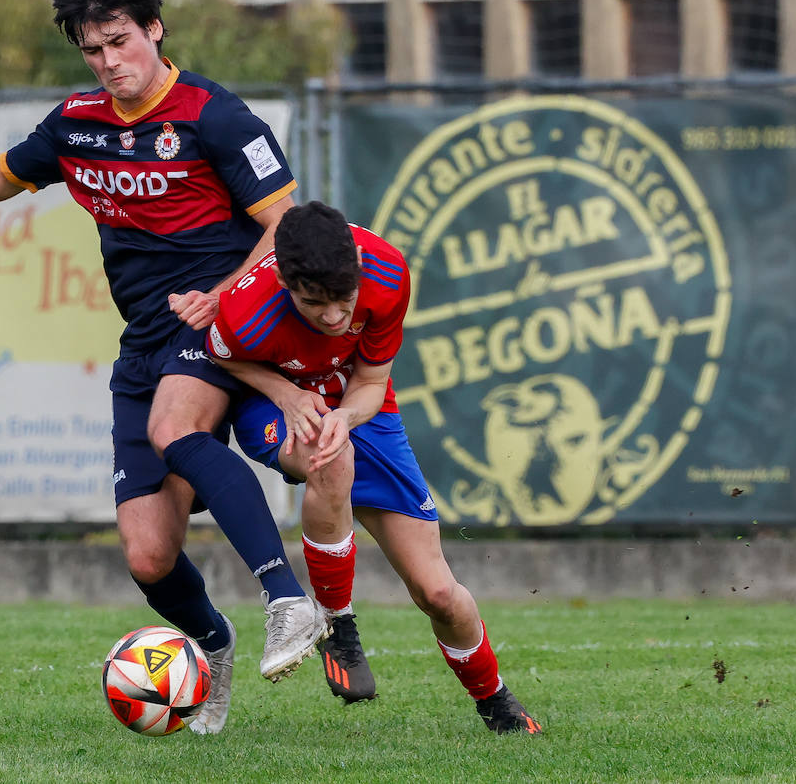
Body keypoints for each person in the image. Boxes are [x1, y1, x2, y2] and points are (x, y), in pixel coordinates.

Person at [0, 0, 328, 736]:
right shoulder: (77, 124)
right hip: (143, 343)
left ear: (155, 28)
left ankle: (290, 599)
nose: (110, 62)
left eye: (121, 41)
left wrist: (221, 295)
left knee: (174, 427)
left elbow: (288, 224)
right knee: (148, 555)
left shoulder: (216, 116)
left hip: (216, 328)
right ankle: (212, 646)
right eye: (93, 49)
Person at [206, 201, 543, 734]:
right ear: (286, 284)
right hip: (274, 406)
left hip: (358, 400)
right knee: (332, 458)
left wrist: (344, 415)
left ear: (358, 267)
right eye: (315, 304)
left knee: (437, 593)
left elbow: (369, 383)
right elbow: (222, 353)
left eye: (344, 300)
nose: (335, 317)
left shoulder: (387, 272)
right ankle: (338, 625)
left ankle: (495, 701)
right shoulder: (247, 311)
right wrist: (287, 394)